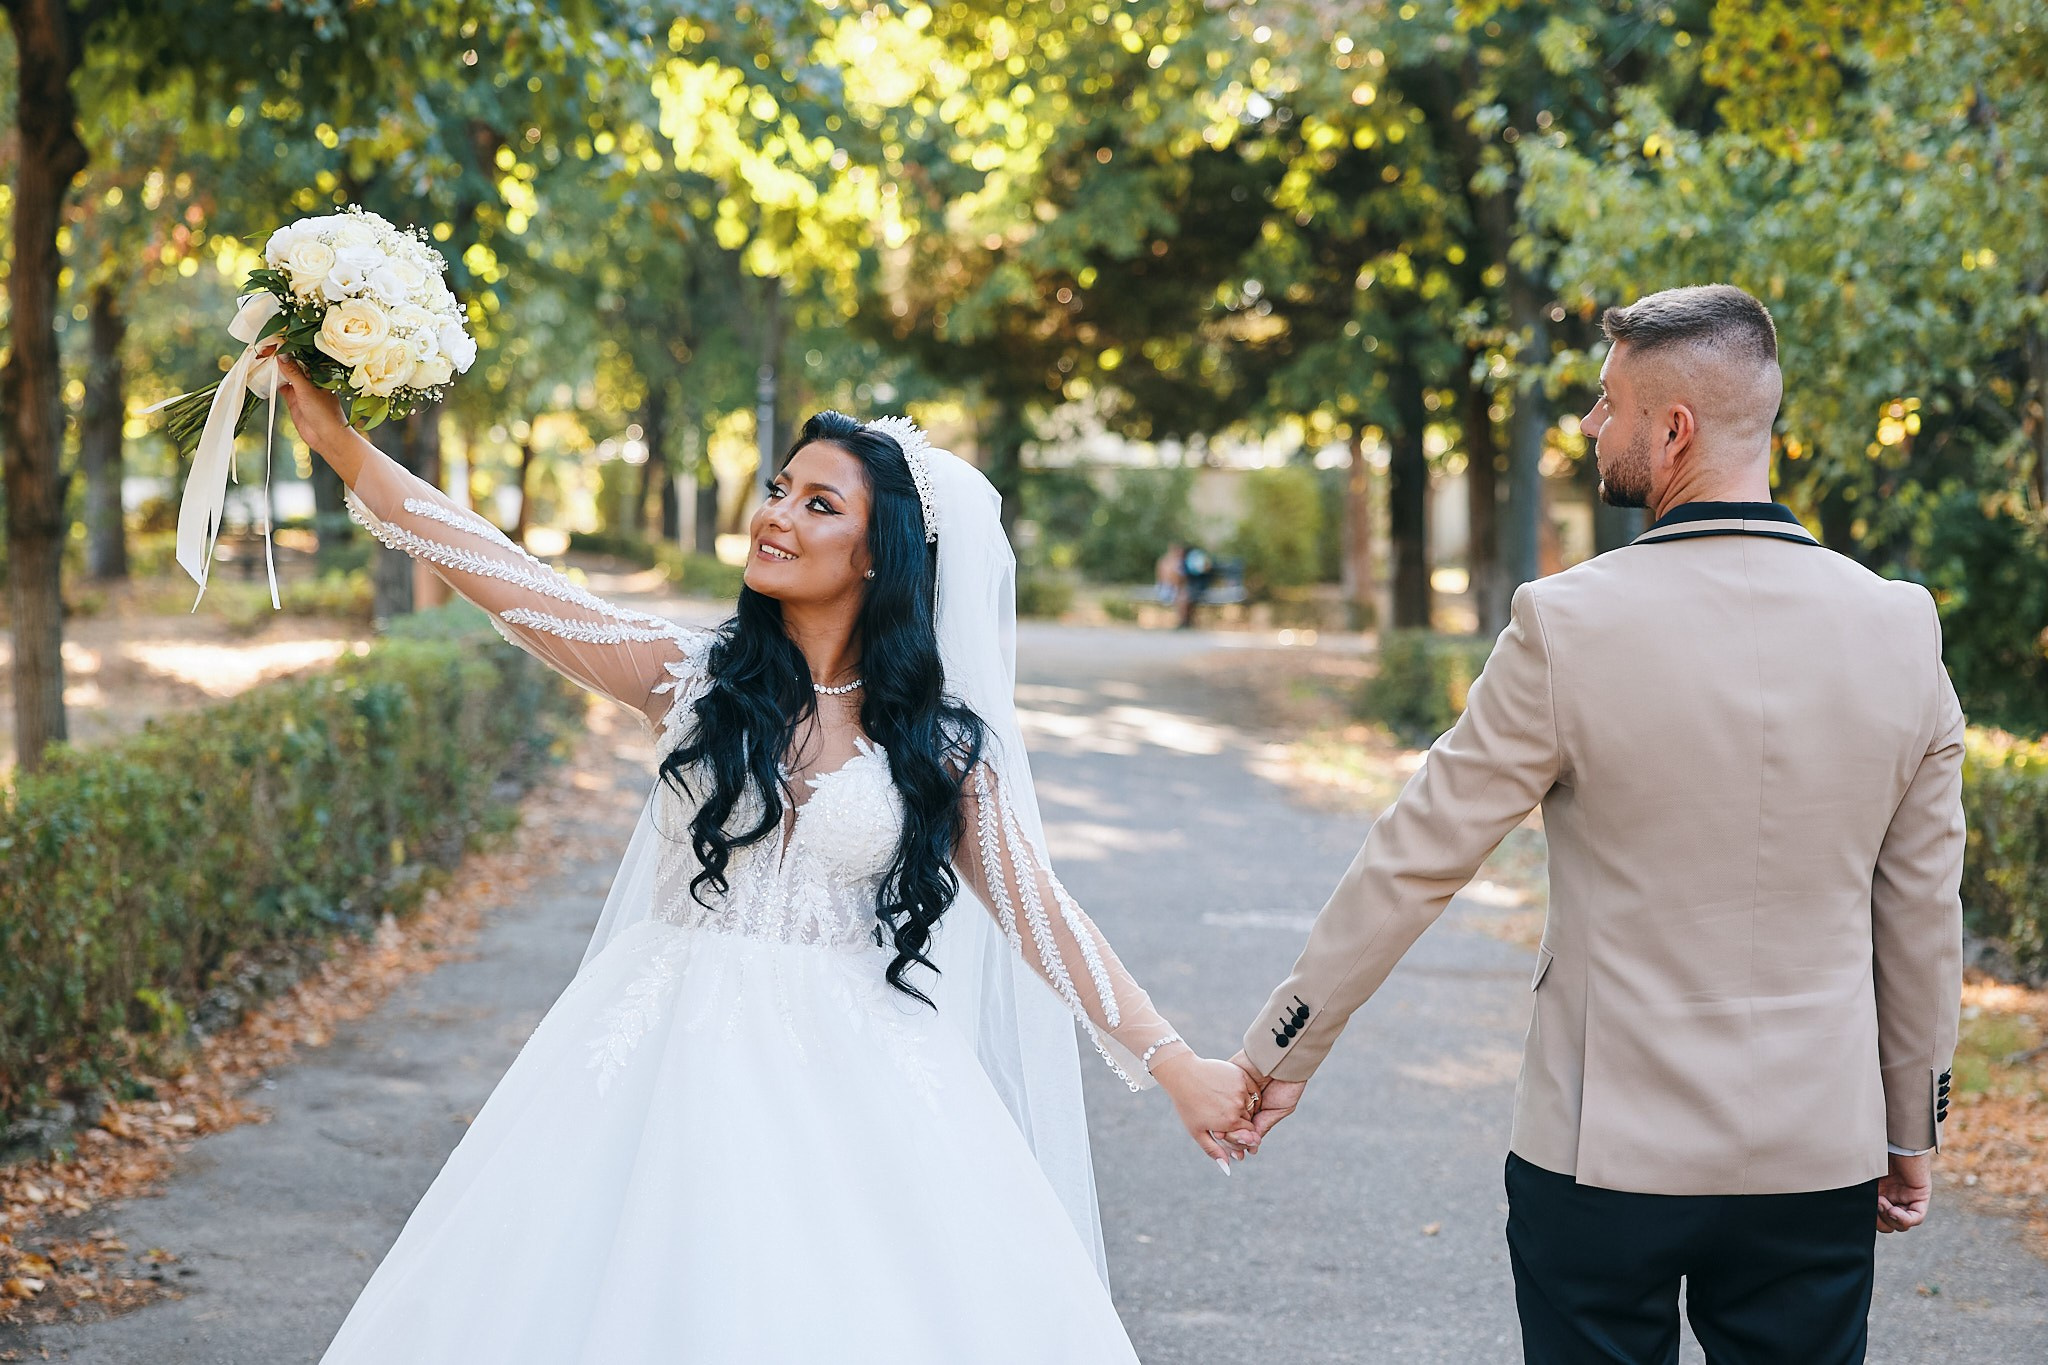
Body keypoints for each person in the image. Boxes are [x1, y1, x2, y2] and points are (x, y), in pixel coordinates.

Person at [268, 353, 1260, 1364]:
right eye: (779, 489)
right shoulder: (688, 680)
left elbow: (1039, 912)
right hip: (650, 1054)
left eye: (818, 503)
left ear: (877, 555)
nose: (776, 515)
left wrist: (1175, 1065)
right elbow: (505, 576)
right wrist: (342, 444)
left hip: (852, 1075)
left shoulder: (939, 748)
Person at [1229, 284, 1965, 1365]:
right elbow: (1918, 915)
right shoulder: (1900, 631)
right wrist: (1910, 1123)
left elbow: (1418, 853)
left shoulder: (1565, 624)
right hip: (1814, 1149)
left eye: (1606, 401)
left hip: (1600, 1150)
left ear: (1671, 432)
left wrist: (1282, 1044)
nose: (1586, 424)